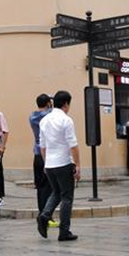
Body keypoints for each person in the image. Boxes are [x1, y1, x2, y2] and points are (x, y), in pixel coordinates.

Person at [36, 90, 81, 242]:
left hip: (49, 164)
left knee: (56, 192)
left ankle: (44, 215)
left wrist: (46, 163)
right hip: (63, 163)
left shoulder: (44, 120)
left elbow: (42, 146)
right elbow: (73, 145)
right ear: (66, 104)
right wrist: (78, 165)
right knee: (67, 197)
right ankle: (64, 231)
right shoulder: (66, 120)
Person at [29, 93, 54, 213]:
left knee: (39, 186)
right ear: (48, 103)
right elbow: (55, 112)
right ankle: (46, 214)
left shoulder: (32, 117)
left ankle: (41, 211)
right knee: (48, 186)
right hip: (47, 154)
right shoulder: (49, 115)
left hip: (37, 153)